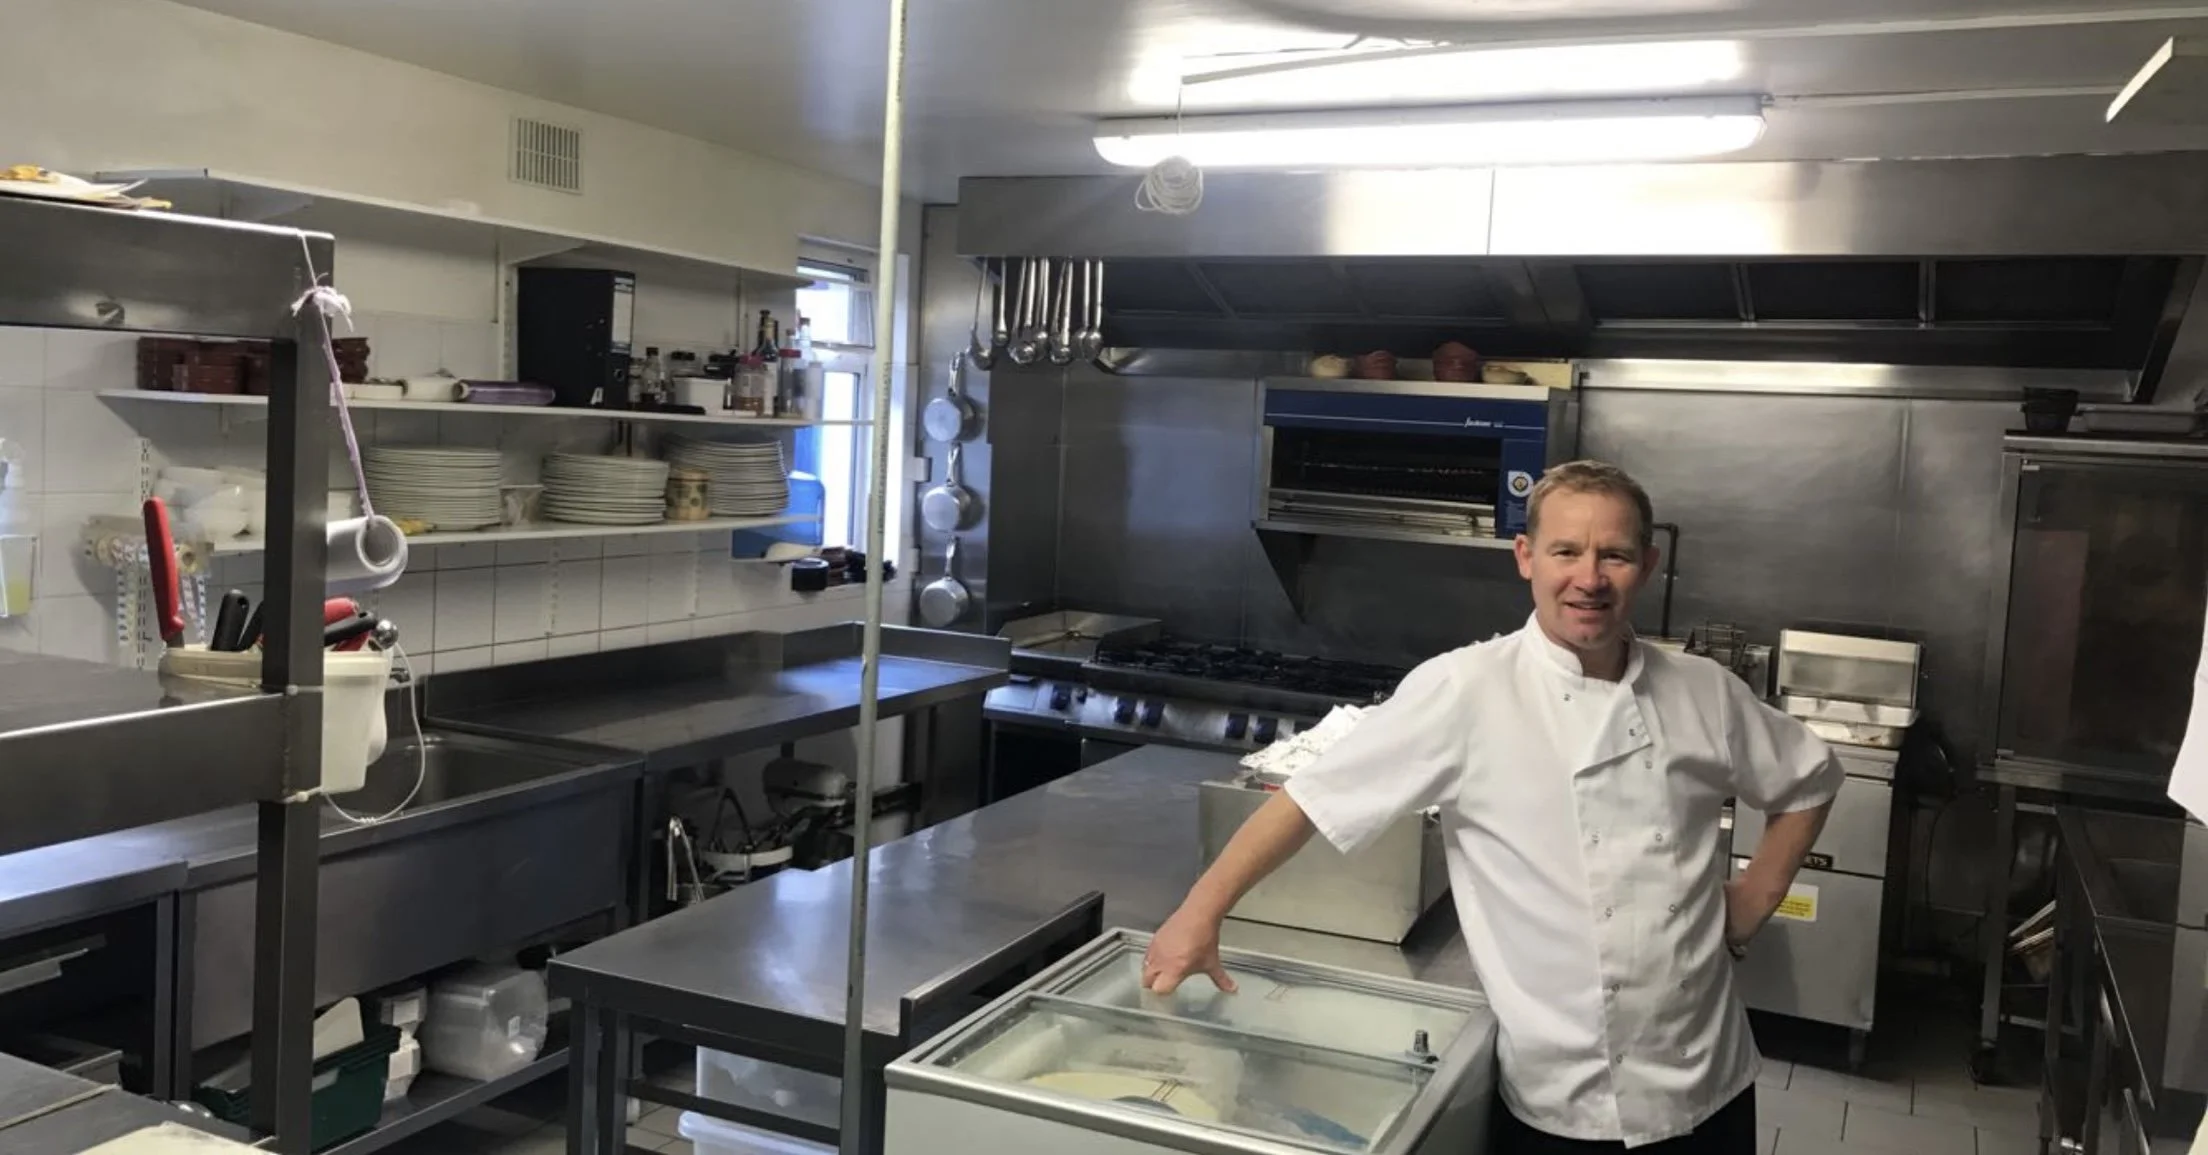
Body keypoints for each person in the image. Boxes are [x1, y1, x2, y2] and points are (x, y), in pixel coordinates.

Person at [1142, 460, 1840, 1155]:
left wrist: (1751, 901)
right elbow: (1309, 799)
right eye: (1566, 551)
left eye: (1615, 555)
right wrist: (1198, 914)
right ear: (1526, 557)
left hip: (1707, 1081)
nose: (1589, 578)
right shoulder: (1465, 689)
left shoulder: (1703, 690)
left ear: (1648, 564)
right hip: (1557, 1097)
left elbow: (1810, 777)